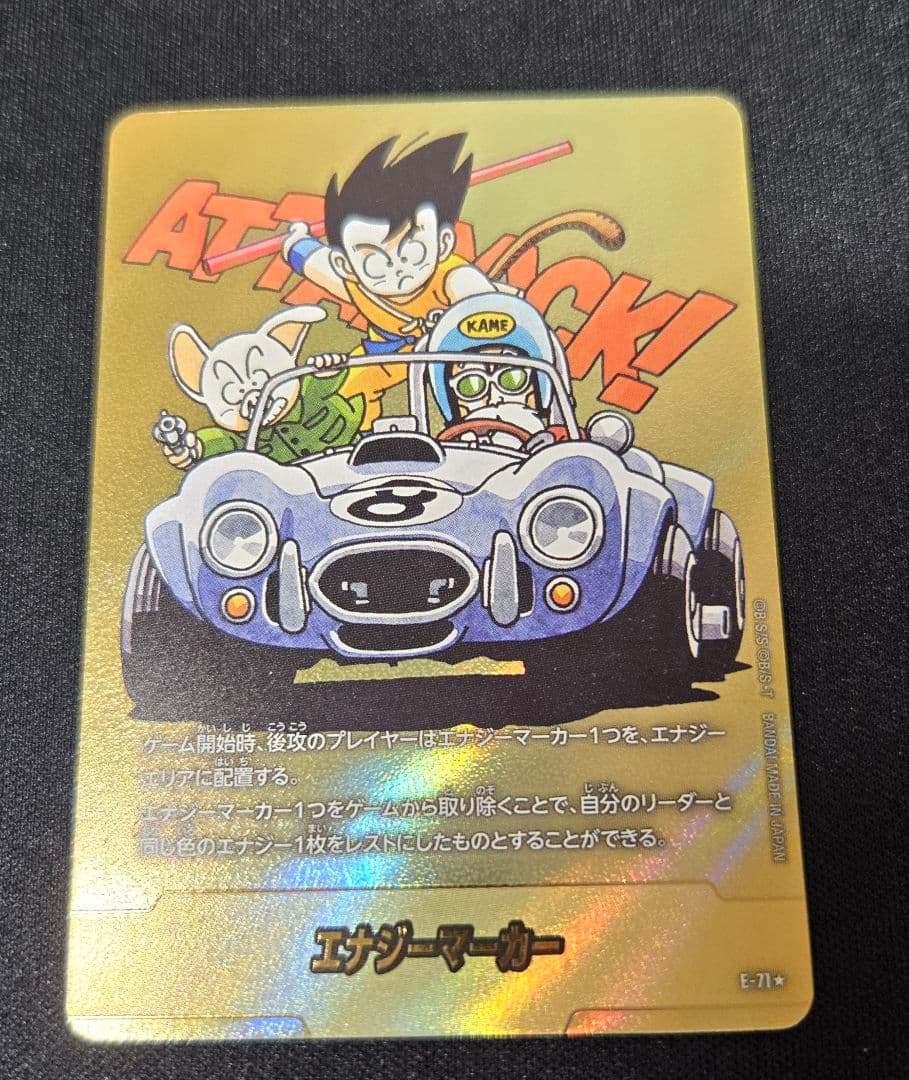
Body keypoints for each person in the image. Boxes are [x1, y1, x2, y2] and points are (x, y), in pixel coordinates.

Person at [282, 134, 499, 429]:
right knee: (348, 395)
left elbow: (487, 308)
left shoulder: (454, 278)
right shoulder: (356, 283)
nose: (397, 269)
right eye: (374, 260)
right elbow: (312, 260)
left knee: (481, 385)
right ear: (346, 265)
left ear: (444, 242)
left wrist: (457, 322)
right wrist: (294, 242)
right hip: (386, 353)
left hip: (456, 353)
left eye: (413, 250)